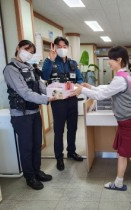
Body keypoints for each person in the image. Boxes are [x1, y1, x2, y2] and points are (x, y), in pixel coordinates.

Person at [74, 46, 131, 204]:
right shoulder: (125, 76)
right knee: (122, 154)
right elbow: (108, 90)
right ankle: (118, 182)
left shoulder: (120, 78)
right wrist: (90, 88)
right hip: (126, 122)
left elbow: (103, 94)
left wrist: (83, 90)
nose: (108, 62)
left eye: (110, 59)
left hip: (129, 124)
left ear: (119, 60)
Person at [3, 40, 53, 190]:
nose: (28, 53)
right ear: (18, 48)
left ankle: (37, 171)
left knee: (37, 144)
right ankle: (29, 177)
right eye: (26, 49)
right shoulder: (11, 69)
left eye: (31, 52)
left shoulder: (30, 67)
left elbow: (41, 87)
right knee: (26, 147)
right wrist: (48, 99)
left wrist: (57, 93)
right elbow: (24, 92)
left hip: (34, 112)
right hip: (21, 115)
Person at [42, 36, 84, 171]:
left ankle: (71, 152)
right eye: (59, 47)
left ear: (68, 48)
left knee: (72, 128)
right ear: (54, 47)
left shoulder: (73, 63)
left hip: (72, 99)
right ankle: (59, 158)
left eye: (64, 47)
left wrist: (79, 88)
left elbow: (80, 78)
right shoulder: (50, 61)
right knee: (59, 131)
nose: (62, 49)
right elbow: (44, 77)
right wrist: (51, 59)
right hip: (58, 101)